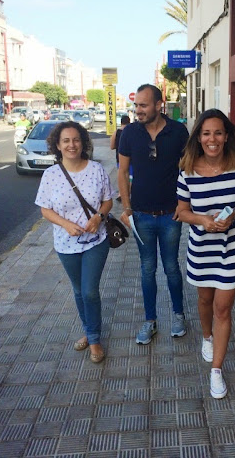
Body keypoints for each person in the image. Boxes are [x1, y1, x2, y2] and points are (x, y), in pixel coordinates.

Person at [175, 108, 235, 399]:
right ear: (199, 137)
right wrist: (202, 220)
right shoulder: (187, 171)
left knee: (223, 308)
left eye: (218, 133)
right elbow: (181, 212)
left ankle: (216, 370)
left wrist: (234, 215)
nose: (213, 139)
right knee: (205, 300)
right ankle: (206, 336)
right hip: (201, 249)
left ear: (226, 136)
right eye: (207, 133)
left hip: (232, 248)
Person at [35, 121, 113, 364]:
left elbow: (108, 201)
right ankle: (88, 331)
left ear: (83, 143)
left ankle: (95, 339)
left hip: (96, 241)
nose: (72, 145)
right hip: (65, 245)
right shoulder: (50, 175)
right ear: (58, 145)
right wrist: (65, 224)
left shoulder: (96, 170)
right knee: (79, 291)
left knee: (89, 291)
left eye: (76, 140)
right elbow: (45, 209)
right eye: (66, 141)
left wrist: (98, 218)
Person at [117, 84, 188, 345]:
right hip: (141, 215)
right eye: (136, 105)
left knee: (171, 267)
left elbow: (188, 169)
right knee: (147, 268)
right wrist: (127, 208)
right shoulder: (129, 133)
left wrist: (184, 204)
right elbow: (122, 172)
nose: (138, 110)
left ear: (159, 105)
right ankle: (150, 320)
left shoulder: (178, 131)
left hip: (171, 214)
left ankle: (178, 315)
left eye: (143, 105)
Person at [110, 115, 131, 202]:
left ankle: (121, 194)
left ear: (121, 122)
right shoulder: (132, 132)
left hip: (120, 158)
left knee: (122, 175)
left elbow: (112, 146)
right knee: (131, 177)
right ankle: (129, 194)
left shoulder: (116, 132)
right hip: (131, 159)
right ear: (129, 122)